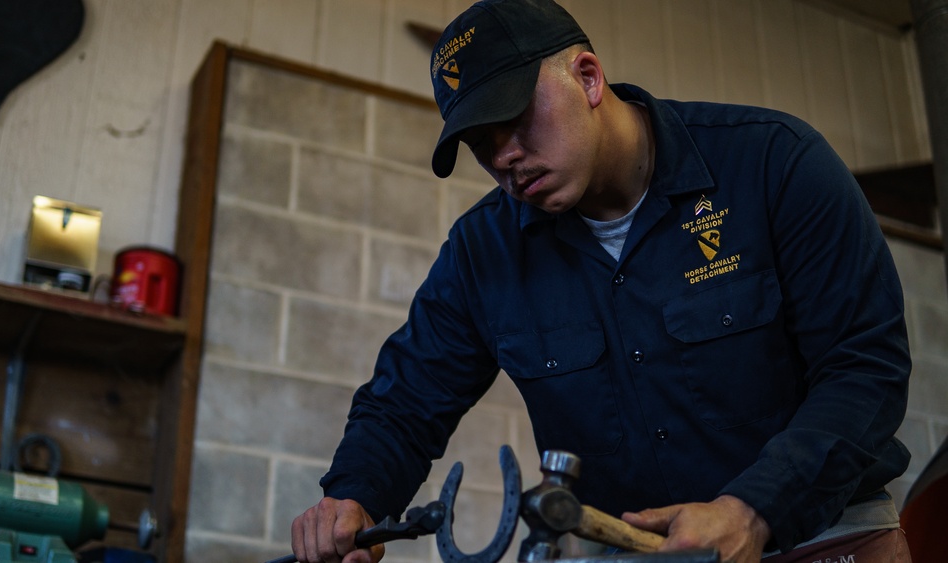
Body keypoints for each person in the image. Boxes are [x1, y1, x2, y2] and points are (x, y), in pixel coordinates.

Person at [290, 1, 912, 562]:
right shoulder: (483, 253)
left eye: (512, 117)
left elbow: (864, 367)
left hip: (822, 535)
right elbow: (405, 404)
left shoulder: (775, 165)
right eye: (481, 142)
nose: (503, 156)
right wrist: (354, 499)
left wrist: (754, 510)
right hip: (624, 553)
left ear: (587, 77)